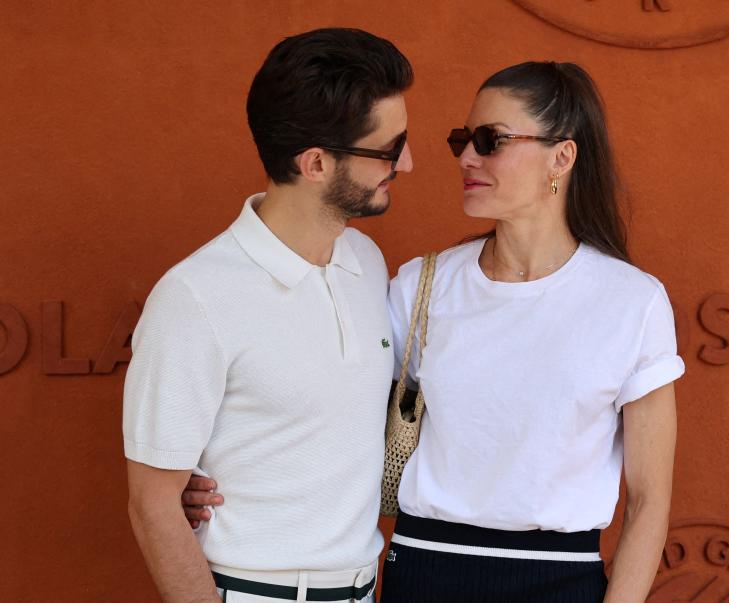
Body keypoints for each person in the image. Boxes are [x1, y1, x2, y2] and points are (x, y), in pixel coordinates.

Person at [185, 61, 683, 603]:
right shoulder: (423, 287)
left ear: (561, 157)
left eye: (491, 140)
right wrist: (210, 471)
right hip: (422, 573)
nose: (467, 156)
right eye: (462, 140)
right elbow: (322, 402)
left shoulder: (631, 304)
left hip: (563, 579)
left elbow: (649, 503)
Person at [123, 28, 413, 603]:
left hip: (361, 588)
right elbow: (153, 502)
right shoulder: (195, 297)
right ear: (315, 163)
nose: (407, 162)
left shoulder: (368, 262)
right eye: (389, 148)